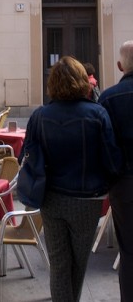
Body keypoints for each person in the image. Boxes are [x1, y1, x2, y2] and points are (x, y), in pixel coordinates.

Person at [20, 56, 122, 302]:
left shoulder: (40, 116)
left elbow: (25, 154)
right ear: (82, 82)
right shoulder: (97, 114)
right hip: (86, 200)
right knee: (78, 262)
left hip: (51, 198)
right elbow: (112, 159)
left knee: (59, 264)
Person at [99, 40, 133, 302]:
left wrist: (114, 177)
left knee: (129, 251)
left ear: (120, 66)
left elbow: (105, 146)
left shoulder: (108, 98)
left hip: (124, 185)